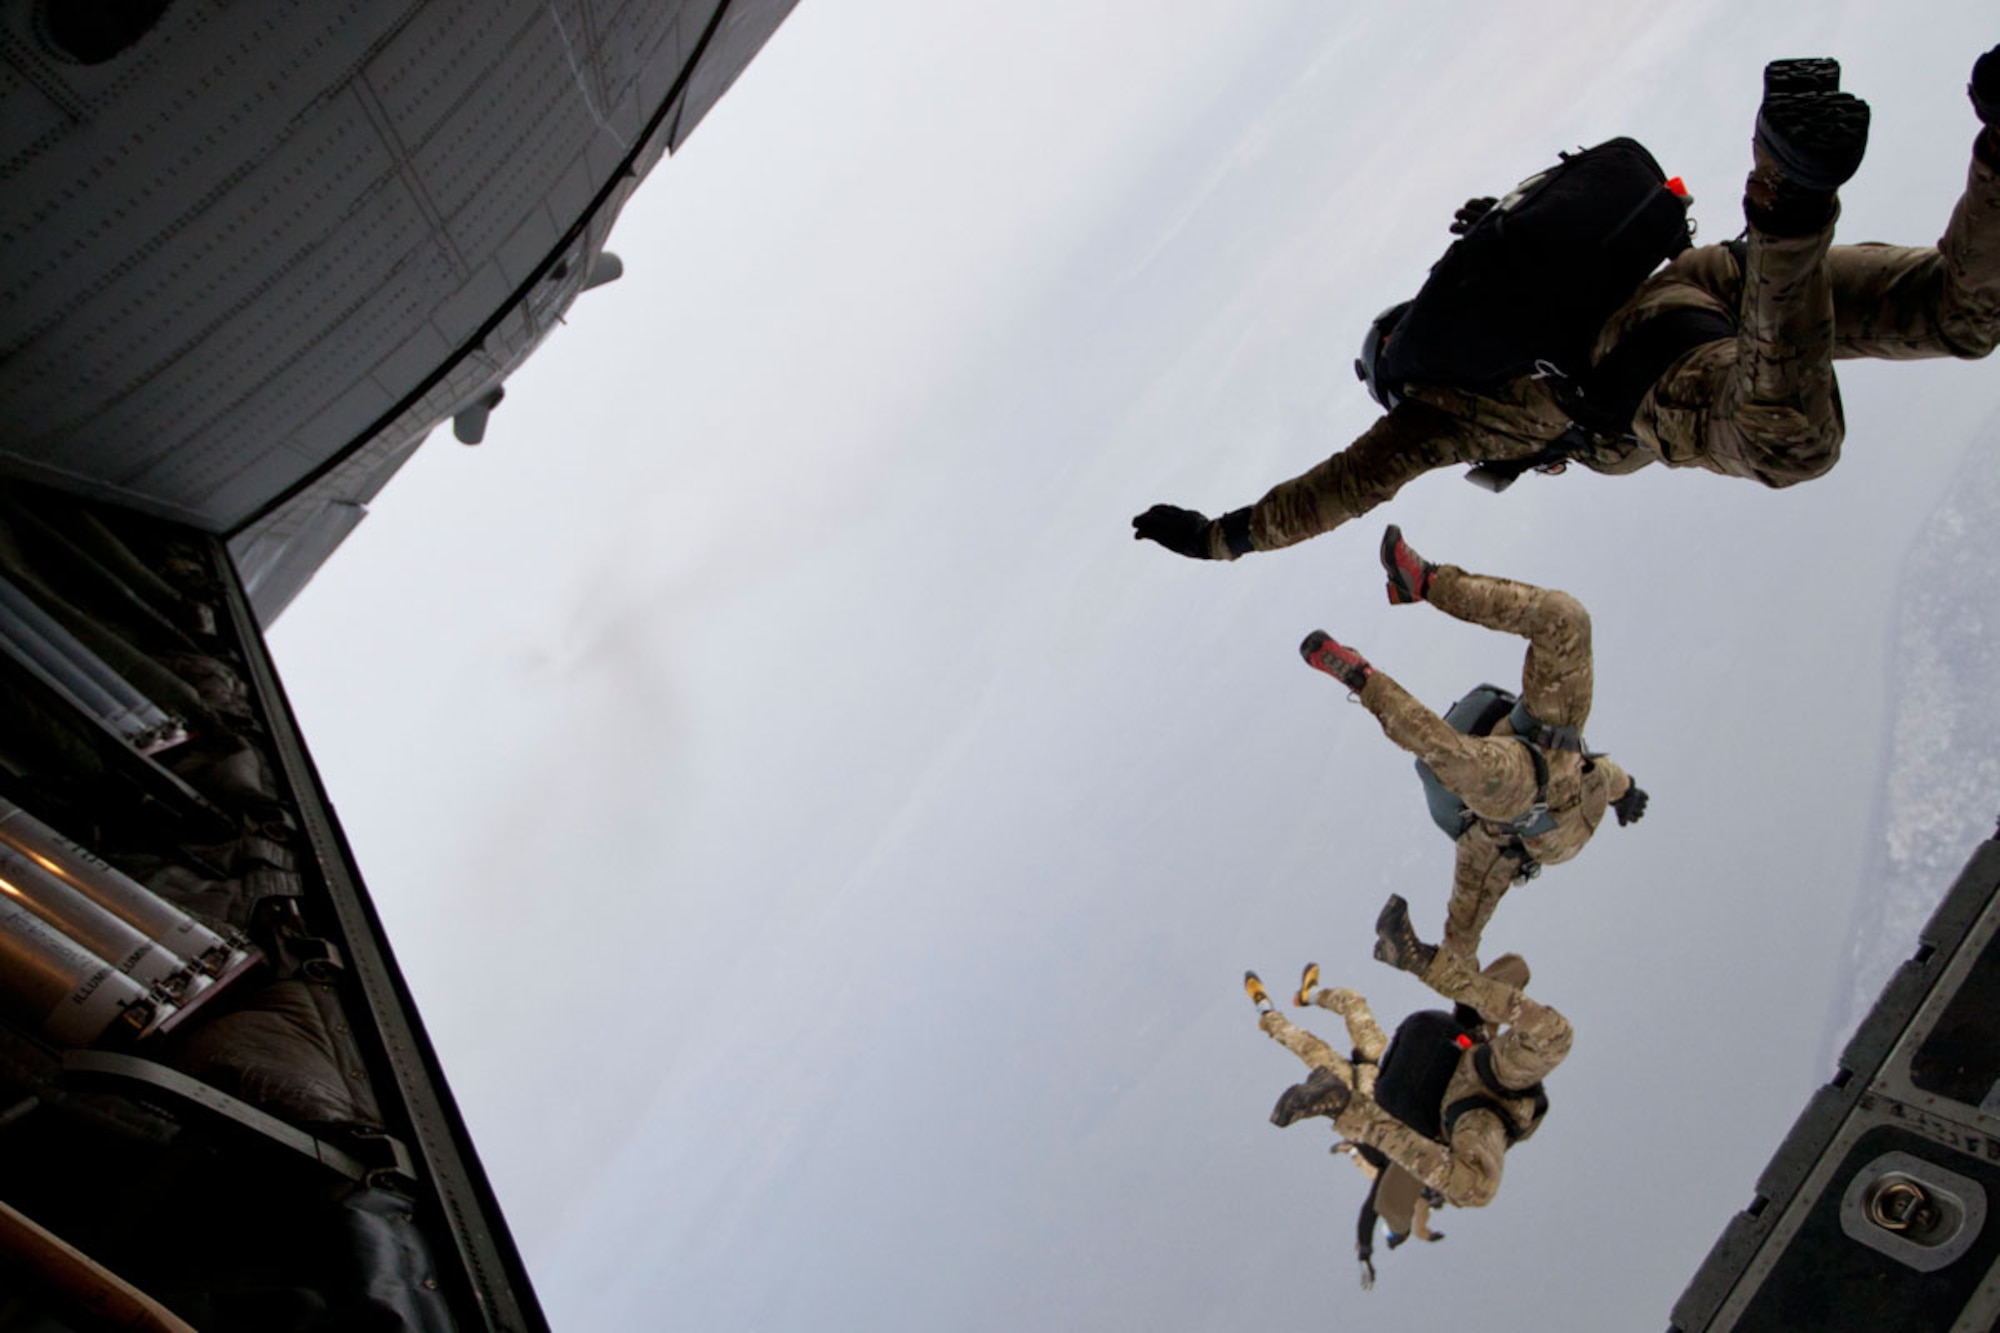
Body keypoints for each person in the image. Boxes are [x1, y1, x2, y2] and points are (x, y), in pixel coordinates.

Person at [1133, 49, 2000, 562]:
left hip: (1641, 355)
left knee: (1790, 442)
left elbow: (1340, 488)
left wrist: (1223, 537)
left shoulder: (1438, 412)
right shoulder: (1510, 305)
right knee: (1958, 314)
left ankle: (1787, 188)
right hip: (1706, 277)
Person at [1301, 526, 1645, 959]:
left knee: (1458, 761)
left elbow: (1461, 939)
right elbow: (1606, 775)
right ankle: (1425, 582)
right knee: (1565, 617)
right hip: (1547, 741)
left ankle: (1360, 678)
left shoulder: (1483, 852)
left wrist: (1412, 956)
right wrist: (1628, 791)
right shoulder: (1570, 791)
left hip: (1525, 770)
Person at [1244, 926, 1571, 1275]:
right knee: (1340, 1019)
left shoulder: (1411, 1159)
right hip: (1417, 1076)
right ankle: (1303, 1000)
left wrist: (1372, 1245)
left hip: (1405, 1093)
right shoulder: (1421, 1162)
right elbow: (1389, 1208)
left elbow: (1382, 1205)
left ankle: (1276, 1013)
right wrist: (1387, 1239)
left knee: (1318, 1037)